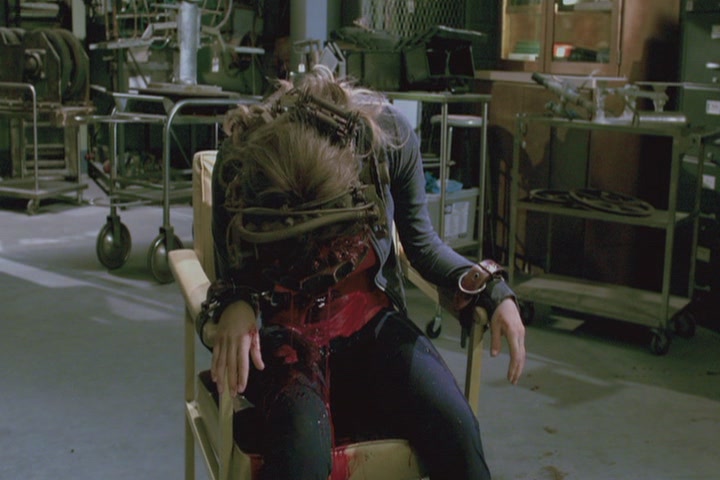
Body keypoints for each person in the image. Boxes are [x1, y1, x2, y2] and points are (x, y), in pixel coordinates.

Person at [197, 65, 526, 480]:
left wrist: (491, 288)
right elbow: (233, 276)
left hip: (370, 322)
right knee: (301, 457)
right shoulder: (240, 161)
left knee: (456, 432)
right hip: (284, 331)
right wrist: (237, 302)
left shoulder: (387, 141)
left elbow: (423, 247)